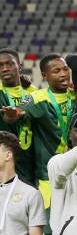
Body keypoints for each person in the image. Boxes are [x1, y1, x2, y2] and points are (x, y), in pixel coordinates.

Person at [1, 54, 76, 235]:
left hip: (67, 168)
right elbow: (16, 113)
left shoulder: (74, 94)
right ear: (44, 75)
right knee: (44, 227)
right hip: (37, 172)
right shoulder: (35, 97)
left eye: (65, 68)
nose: (62, 73)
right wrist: (12, 115)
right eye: (56, 70)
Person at [0, 48, 37, 185]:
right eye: (0, 65)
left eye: (9, 64)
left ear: (19, 66)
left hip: (32, 159)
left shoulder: (34, 92)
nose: (4, 68)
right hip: (6, 159)